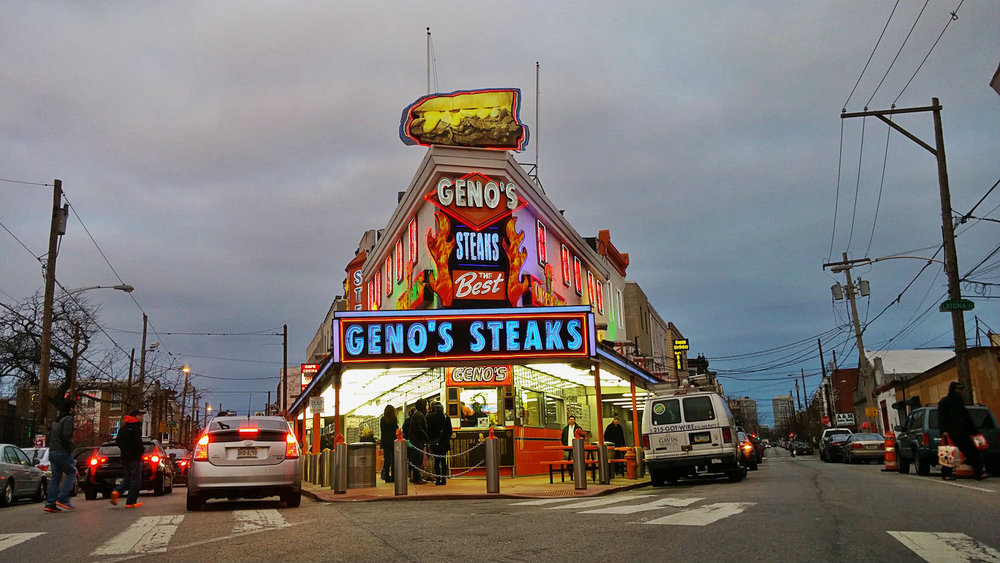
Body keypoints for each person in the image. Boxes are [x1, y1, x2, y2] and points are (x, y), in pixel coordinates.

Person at [937, 381, 989, 481]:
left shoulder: (960, 402)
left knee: (973, 452)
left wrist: (974, 431)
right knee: (949, 454)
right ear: (953, 390)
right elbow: (941, 418)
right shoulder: (944, 402)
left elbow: (966, 418)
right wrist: (944, 431)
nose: (960, 392)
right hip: (950, 433)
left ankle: (979, 473)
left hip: (962, 432)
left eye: (961, 389)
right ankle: (946, 474)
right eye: (958, 389)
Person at [44, 399, 78, 513]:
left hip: (52, 451)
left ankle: (50, 503)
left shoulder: (57, 420)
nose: (76, 409)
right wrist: (70, 446)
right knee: (72, 472)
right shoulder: (68, 419)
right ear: (70, 409)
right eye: (74, 407)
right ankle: (62, 498)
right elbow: (66, 435)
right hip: (62, 451)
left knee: (55, 478)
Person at [112, 408, 146, 508]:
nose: (141, 417)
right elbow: (138, 443)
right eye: (140, 415)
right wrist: (141, 451)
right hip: (135, 458)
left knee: (128, 476)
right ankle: (131, 502)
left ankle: (117, 492)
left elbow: (118, 441)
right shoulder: (136, 428)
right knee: (135, 479)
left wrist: (125, 449)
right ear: (135, 416)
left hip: (125, 457)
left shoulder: (123, 428)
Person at [426, 402, 452, 485]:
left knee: (436, 461)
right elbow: (450, 431)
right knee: (444, 461)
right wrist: (445, 438)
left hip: (435, 442)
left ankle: (437, 479)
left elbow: (429, 430)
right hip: (444, 442)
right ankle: (444, 479)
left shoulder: (430, 417)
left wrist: (431, 440)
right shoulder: (446, 417)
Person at [407, 399, 429, 484]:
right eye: (426, 405)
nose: (427, 407)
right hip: (417, 440)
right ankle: (417, 477)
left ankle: (416, 477)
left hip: (415, 440)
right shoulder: (419, 415)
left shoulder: (417, 414)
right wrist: (426, 436)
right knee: (417, 459)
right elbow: (419, 429)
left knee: (416, 459)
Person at [380, 404, 398, 483]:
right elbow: (395, 430)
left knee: (387, 459)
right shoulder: (394, 419)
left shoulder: (383, 419)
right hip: (393, 441)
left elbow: (382, 430)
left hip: (385, 442)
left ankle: (387, 476)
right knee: (394, 459)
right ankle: (394, 476)